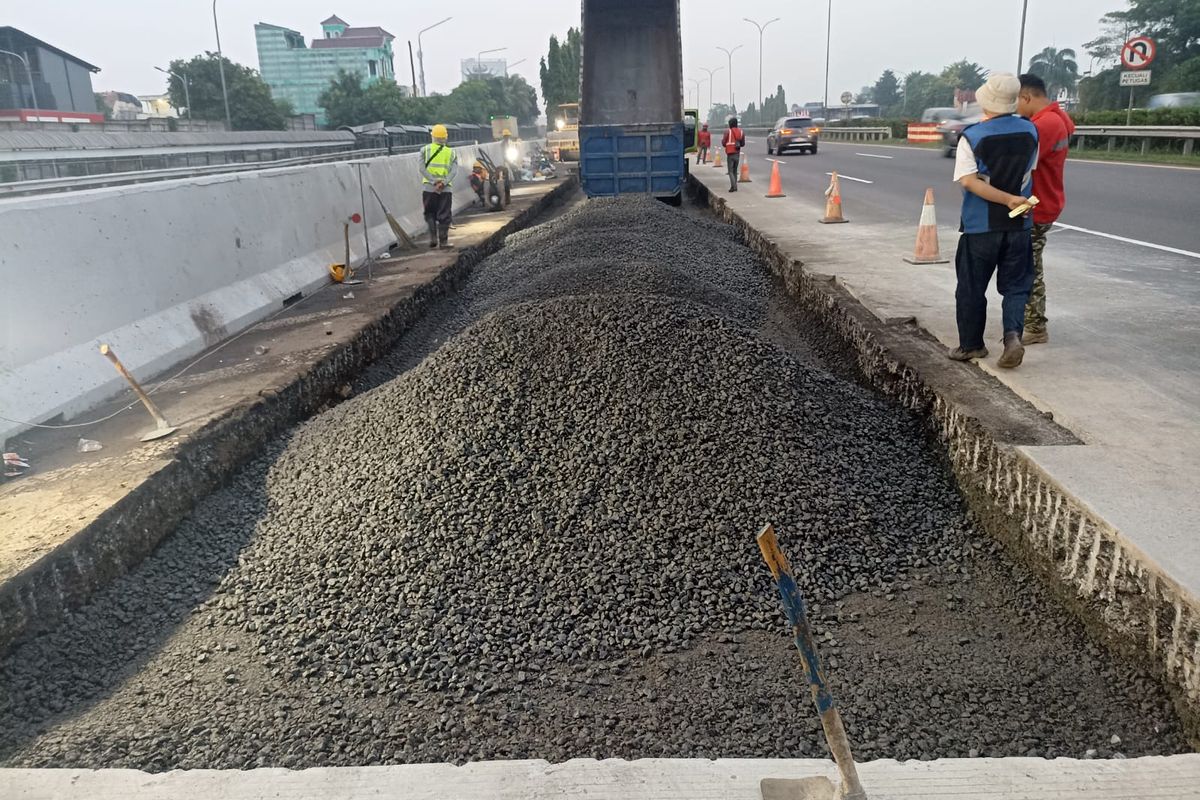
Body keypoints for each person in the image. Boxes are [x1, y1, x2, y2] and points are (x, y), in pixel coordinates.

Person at [950, 73, 1039, 369]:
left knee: (971, 287)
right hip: (1019, 225)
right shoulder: (1030, 132)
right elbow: (1030, 173)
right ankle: (1012, 336)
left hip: (980, 227)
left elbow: (969, 182)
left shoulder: (972, 136)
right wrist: (1015, 199)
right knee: (1016, 286)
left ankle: (971, 345)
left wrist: (1004, 199)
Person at [1017, 73, 1075, 345]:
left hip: (1036, 206)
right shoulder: (1057, 118)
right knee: (1027, 262)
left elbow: (1021, 164)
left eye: (1016, 101)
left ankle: (1035, 325)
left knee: (1029, 266)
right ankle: (1028, 319)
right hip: (1047, 200)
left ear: (1026, 97)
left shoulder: (1044, 125)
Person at [420, 124, 459, 249]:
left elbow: (422, 169)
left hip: (429, 189)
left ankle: (433, 238)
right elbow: (454, 171)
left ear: (433, 137)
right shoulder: (451, 152)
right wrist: (443, 183)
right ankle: (443, 242)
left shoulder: (424, 150)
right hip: (445, 189)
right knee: (444, 214)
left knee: (429, 213)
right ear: (445, 137)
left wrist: (433, 182)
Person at [722, 117, 746, 192]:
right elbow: (743, 144)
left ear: (730, 124)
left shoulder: (728, 132)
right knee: (735, 170)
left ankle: (734, 186)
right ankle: (735, 185)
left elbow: (723, 142)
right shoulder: (741, 132)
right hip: (737, 153)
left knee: (730, 171)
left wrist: (727, 144)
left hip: (730, 153)